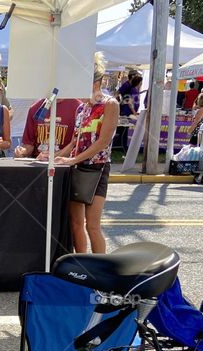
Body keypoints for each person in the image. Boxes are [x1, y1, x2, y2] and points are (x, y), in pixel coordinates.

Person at [54, 53, 119, 254]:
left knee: (92, 225)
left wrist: (73, 158)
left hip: (97, 167)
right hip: (78, 167)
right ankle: (81, 266)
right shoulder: (81, 108)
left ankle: (102, 269)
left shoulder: (110, 104)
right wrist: (55, 156)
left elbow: (103, 142)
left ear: (96, 82)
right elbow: (75, 140)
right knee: (76, 223)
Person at [14, 95, 81, 159]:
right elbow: (29, 144)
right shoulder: (35, 108)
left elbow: (75, 144)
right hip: (39, 164)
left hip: (65, 165)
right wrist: (21, 152)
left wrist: (51, 157)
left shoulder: (78, 107)